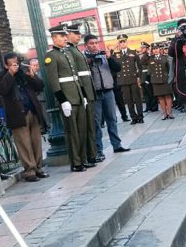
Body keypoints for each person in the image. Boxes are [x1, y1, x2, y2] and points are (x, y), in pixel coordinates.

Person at [0, 53, 48, 182]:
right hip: (17, 115)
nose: (16, 66)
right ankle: (29, 171)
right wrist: (10, 74)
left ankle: (38, 168)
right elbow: (3, 90)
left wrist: (33, 76)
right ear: (6, 65)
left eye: (17, 63)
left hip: (32, 111)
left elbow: (39, 87)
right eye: (12, 64)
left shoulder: (23, 74)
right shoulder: (0, 76)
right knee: (24, 144)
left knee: (36, 141)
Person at [45, 24, 88, 172]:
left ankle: (83, 159)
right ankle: (76, 162)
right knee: (72, 132)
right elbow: (53, 81)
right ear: (54, 38)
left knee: (82, 130)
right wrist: (63, 100)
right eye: (62, 36)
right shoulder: (51, 56)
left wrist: (83, 95)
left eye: (65, 35)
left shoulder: (67, 53)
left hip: (78, 96)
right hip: (68, 98)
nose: (65, 38)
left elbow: (76, 77)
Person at [84, 34, 130, 160]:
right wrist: (89, 61)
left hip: (109, 91)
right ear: (86, 45)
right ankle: (98, 150)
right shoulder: (83, 58)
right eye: (91, 43)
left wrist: (109, 58)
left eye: (96, 43)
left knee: (112, 119)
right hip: (94, 94)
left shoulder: (104, 55)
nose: (94, 45)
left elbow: (118, 68)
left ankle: (117, 145)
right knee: (96, 123)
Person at [65, 24, 97, 168]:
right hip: (82, 91)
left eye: (79, 34)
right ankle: (87, 156)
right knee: (84, 127)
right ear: (68, 35)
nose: (79, 36)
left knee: (90, 126)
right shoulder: (69, 51)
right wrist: (83, 93)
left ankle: (91, 155)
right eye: (75, 33)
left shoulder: (76, 49)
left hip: (87, 91)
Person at [114, 34, 144, 124]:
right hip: (123, 80)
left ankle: (140, 116)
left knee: (137, 99)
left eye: (124, 41)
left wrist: (139, 78)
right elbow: (109, 57)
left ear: (127, 42)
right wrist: (114, 47)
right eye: (120, 42)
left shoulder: (133, 52)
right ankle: (133, 117)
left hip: (133, 79)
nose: (122, 43)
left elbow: (139, 67)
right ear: (118, 43)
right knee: (128, 100)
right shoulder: (116, 54)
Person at [148, 44, 173, 120]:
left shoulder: (165, 57)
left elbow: (169, 68)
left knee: (168, 96)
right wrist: (148, 53)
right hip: (156, 80)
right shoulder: (150, 58)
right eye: (154, 49)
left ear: (159, 49)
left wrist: (170, 78)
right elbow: (143, 62)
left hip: (165, 79)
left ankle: (170, 113)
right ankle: (165, 114)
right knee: (160, 97)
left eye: (157, 48)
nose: (155, 50)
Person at [140, 42, 158, 113]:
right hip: (142, 76)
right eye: (141, 48)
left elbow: (147, 64)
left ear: (147, 48)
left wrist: (148, 53)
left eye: (143, 48)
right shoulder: (141, 55)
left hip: (148, 75)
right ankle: (148, 106)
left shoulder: (149, 55)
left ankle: (154, 106)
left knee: (150, 92)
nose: (141, 49)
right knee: (145, 93)